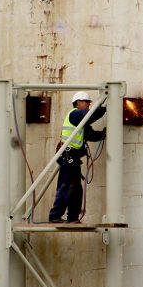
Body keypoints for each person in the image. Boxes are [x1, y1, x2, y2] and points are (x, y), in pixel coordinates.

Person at [48, 91, 106, 223]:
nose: (88, 104)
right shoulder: (75, 114)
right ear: (77, 103)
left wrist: (101, 135)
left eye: (89, 102)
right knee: (66, 185)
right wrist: (103, 108)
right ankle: (55, 216)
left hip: (72, 157)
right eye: (86, 101)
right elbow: (90, 115)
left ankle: (73, 217)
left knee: (76, 189)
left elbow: (89, 134)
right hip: (68, 155)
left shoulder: (81, 121)